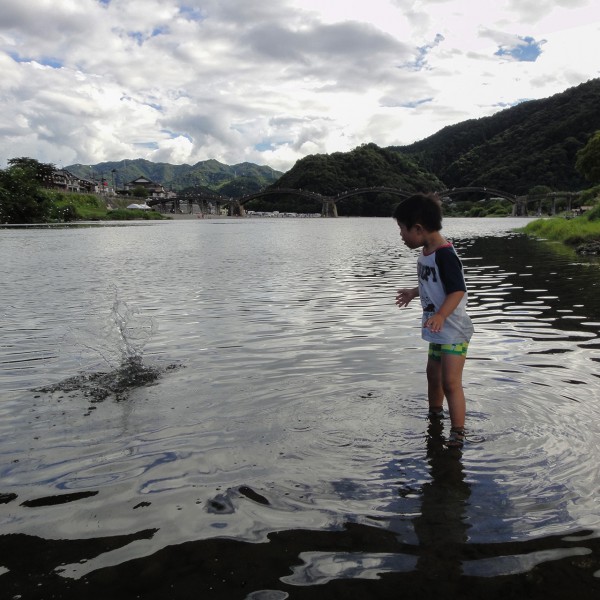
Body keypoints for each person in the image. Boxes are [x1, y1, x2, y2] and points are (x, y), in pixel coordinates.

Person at [394, 193, 474, 448]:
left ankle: (458, 432)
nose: (401, 236)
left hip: (452, 328)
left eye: (402, 230)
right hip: (437, 328)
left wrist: (441, 314)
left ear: (418, 228)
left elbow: (457, 289)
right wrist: (413, 292)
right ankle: (435, 415)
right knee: (433, 375)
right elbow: (431, 284)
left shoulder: (444, 254)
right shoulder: (426, 253)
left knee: (451, 382)